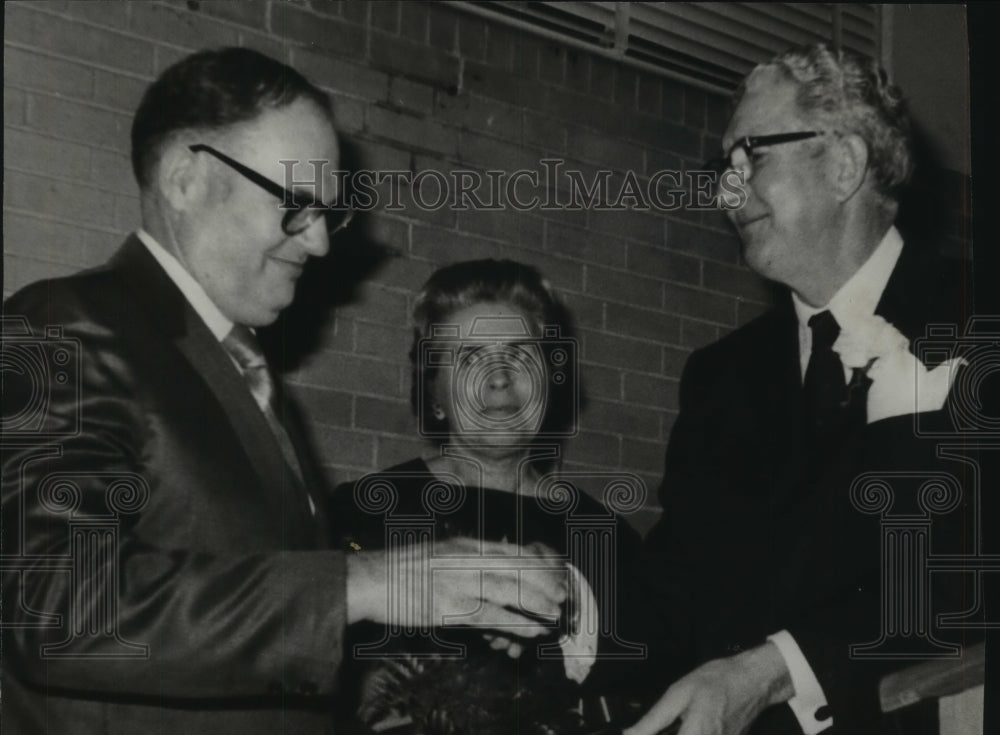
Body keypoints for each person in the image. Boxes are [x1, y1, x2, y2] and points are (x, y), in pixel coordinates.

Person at [0, 49, 566, 735]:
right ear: (186, 178)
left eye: (329, 214)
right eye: (298, 206)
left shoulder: (241, 372)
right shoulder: (66, 326)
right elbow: (54, 605)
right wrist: (368, 582)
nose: (321, 242)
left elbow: (264, 633)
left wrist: (455, 608)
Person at [624, 44, 981, 735]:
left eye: (751, 156)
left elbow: (968, 577)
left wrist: (771, 669)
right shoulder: (719, 375)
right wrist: (567, 606)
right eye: (722, 166)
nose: (727, 193)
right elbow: (677, 585)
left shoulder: (979, 319)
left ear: (844, 163)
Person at [329, 259, 643, 735]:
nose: (499, 377)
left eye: (520, 354)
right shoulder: (363, 513)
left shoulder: (611, 539)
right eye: (470, 357)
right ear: (434, 394)